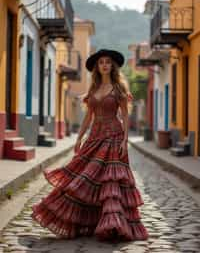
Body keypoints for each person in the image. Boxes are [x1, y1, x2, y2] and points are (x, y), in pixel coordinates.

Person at [31, 49, 149, 242]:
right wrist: (79, 138)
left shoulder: (118, 89)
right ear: (97, 67)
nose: (104, 65)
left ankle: (114, 225)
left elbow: (125, 116)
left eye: (108, 62)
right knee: (85, 177)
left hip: (114, 136)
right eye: (101, 62)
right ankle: (92, 222)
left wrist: (124, 140)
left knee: (110, 182)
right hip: (94, 136)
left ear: (112, 66)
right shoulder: (93, 89)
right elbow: (88, 116)